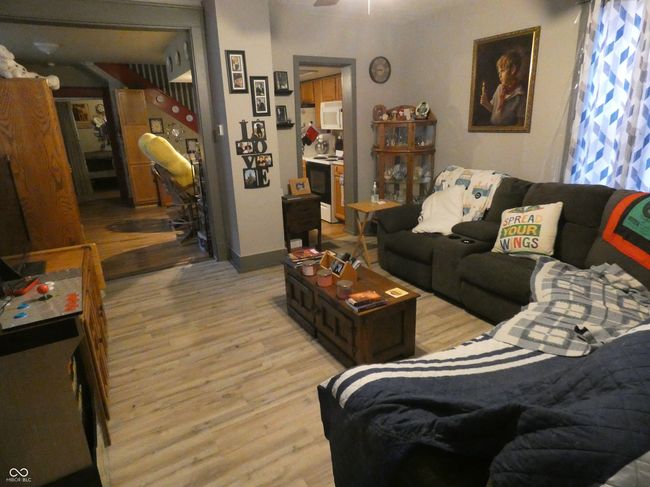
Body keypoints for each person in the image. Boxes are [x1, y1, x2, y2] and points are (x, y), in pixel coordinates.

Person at [480, 50, 525, 126]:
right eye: (499, 72)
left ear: (513, 70)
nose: (499, 75)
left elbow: (520, 122)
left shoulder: (519, 95)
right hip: (493, 128)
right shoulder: (499, 88)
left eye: (502, 71)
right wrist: (486, 104)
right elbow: (494, 111)